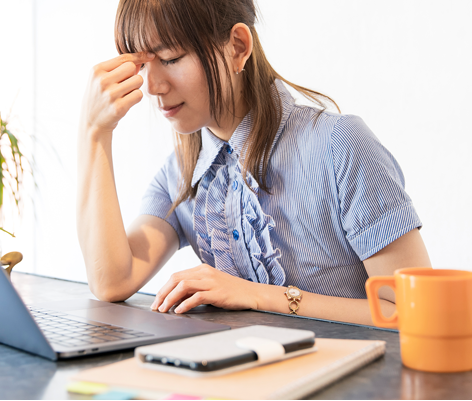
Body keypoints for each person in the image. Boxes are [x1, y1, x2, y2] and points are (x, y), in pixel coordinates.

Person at [76, 0, 431, 326]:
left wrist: (257, 296)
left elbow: (413, 310)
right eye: (141, 65)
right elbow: (111, 280)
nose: (152, 85)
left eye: (170, 58)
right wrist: (93, 133)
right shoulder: (182, 173)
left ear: (237, 47)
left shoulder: (339, 144)